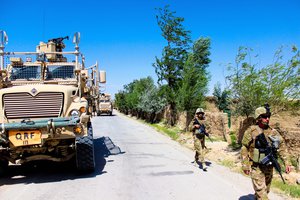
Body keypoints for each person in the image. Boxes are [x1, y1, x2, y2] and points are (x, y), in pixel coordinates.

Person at [241, 106, 291, 200]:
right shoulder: (251, 131)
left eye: (268, 116)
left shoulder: (273, 132)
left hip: (269, 167)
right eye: (264, 116)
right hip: (256, 167)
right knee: (262, 195)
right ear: (258, 117)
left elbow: (282, 148)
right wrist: (245, 164)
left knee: (265, 191)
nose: (267, 118)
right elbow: (244, 147)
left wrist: (287, 163)